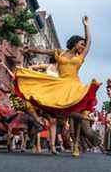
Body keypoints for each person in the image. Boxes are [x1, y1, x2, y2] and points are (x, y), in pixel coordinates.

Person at [16, 16, 100, 157]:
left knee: (76, 114)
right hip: (60, 84)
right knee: (59, 112)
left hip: (74, 86)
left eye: (84, 45)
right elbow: (45, 51)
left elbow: (90, 41)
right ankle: (71, 133)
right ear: (74, 43)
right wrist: (30, 49)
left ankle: (76, 143)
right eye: (81, 44)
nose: (83, 46)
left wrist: (86, 25)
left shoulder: (81, 56)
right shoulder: (61, 52)